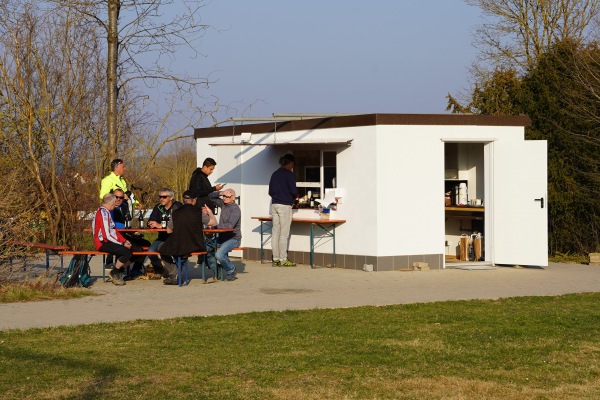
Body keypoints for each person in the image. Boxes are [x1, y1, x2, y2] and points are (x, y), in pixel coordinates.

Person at [159, 190, 216, 285]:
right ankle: (175, 273)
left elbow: (168, 230)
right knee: (181, 253)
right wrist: (209, 212)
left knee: (161, 247)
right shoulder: (198, 212)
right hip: (196, 244)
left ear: (184, 200)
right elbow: (213, 223)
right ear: (195, 200)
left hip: (178, 244)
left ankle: (174, 273)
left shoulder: (176, 212)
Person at [92, 193, 143, 286]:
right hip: (102, 242)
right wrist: (122, 243)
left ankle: (118, 270)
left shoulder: (107, 212)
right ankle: (115, 272)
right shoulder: (102, 213)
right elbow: (106, 234)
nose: (116, 204)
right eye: (115, 202)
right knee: (126, 252)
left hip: (109, 240)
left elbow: (114, 231)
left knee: (137, 250)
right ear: (111, 203)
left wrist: (124, 240)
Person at [111, 188, 151, 279]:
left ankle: (135, 269)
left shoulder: (124, 206)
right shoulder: (109, 208)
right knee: (135, 249)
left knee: (146, 244)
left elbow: (126, 223)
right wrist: (126, 229)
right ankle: (119, 270)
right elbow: (112, 224)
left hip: (124, 234)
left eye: (121, 197)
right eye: (116, 197)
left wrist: (133, 232)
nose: (118, 199)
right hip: (114, 236)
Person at [268, 153, 299, 267]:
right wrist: (293, 198)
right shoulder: (289, 174)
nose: (293, 166)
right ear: (290, 163)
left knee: (275, 232)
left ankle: (275, 258)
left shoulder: (275, 174)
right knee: (284, 233)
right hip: (285, 205)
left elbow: (270, 191)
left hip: (274, 204)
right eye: (293, 164)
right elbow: (293, 190)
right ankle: (283, 259)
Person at [145, 188, 182, 277]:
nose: (162, 199)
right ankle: (160, 269)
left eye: (164, 197)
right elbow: (150, 221)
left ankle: (174, 270)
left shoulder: (178, 206)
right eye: (160, 197)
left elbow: (180, 223)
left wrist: (161, 226)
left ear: (171, 197)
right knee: (150, 252)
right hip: (162, 237)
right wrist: (151, 223)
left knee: (164, 250)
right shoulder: (158, 207)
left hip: (175, 237)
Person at [206, 188, 241, 281]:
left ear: (233, 198)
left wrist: (215, 226)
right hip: (221, 238)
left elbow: (230, 225)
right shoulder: (223, 204)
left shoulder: (235, 209)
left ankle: (231, 270)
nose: (224, 198)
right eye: (223, 196)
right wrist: (221, 192)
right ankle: (216, 269)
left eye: (227, 196)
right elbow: (210, 196)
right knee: (206, 248)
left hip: (233, 239)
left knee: (219, 255)